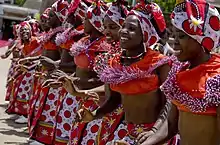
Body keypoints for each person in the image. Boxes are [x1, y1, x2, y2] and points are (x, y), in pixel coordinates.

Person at [137, 0, 220, 145]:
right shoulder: (179, 71)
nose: (173, 41)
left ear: (201, 40)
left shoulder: (216, 78)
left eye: (181, 36)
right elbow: (170, 124)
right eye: (173, 35)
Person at [97, 1, 173, 144]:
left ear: (144, 34)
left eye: (131, 28)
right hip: (124, 129)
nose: (124, 31)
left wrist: (154, 132)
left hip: (151, 133)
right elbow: (113, 100)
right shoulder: (115, 62)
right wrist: (94, 114)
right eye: (124, 26)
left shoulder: (159, 63)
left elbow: (169, 102)